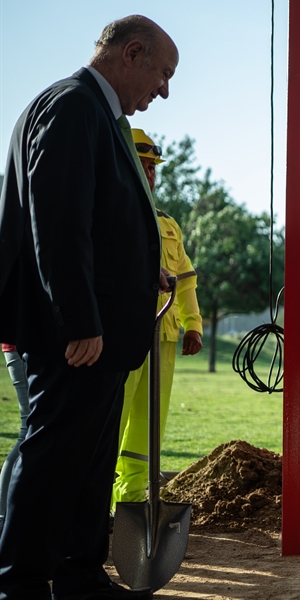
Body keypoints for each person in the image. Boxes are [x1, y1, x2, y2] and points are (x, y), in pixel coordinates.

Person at [0, 15, 178, 600]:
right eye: (163, 73)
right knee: (52, 458)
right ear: (132, 53)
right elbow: (58, 221)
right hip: (74, 335)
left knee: (89, 462)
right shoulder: (73, 107)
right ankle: (20, 584)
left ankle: (78, 575)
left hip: (103, 335)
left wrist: (139, 265)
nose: (164, 90)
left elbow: (98, 218)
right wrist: (78, 320)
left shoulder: (96, 113)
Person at [111, 130, 203, 511]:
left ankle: (132, 501)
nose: (149, 174)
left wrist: (193, 323)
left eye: (153, 168)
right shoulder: (110, 212)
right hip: (123, 333)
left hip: (163, 337)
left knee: (150, 426)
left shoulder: (168, 224)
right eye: (143, 166)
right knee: (111, 421)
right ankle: (93, 503)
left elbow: (186, 278)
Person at [0, 345, 29, 532]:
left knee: (29, 429)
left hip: (23, 344)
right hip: (24, 345)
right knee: (29, 430)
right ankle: (3, 519)